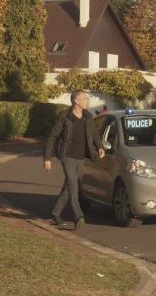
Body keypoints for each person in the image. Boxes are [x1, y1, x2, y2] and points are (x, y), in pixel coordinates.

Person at [44, 90, 105, 230]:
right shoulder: (65, 117)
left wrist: (100, 146)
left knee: (69, 186)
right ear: (76, 101)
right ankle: (79, 216)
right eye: (85, 98)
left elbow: (94, 134)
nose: (87, 101)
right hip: (67, 156)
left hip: (81, 157)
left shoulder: (88, 117)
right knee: (73, 184)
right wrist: (47, 157)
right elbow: (52, 137)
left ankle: (55, 213)